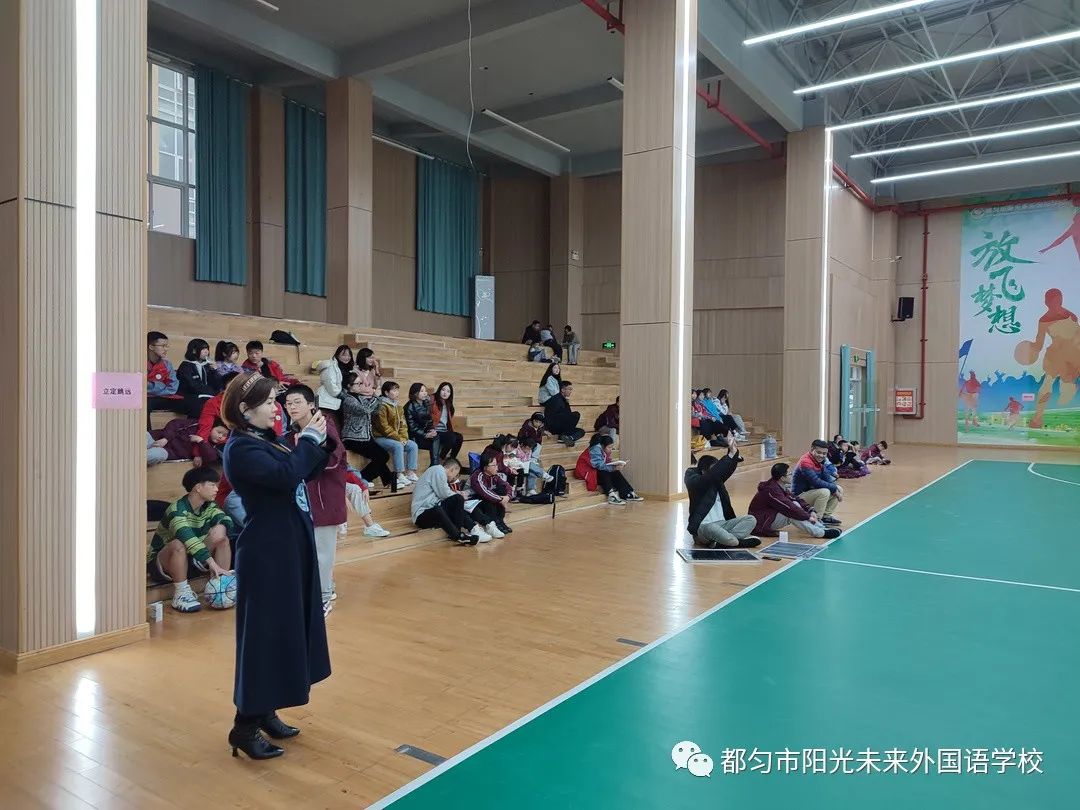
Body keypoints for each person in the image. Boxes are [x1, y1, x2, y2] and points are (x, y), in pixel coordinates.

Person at [220, 372, 334, 760]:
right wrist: (308, 442)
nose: (277, 408)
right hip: (267, 554)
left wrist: (315, 436)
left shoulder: (266, 440)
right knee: (264, 638)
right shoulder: (241, 449)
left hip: (288, 548)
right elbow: (287, 476)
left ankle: (265, 710)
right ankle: (244, 726)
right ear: (245, 409)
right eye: (269, 402)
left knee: (283, 633)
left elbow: (305, 471)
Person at [284, 385, 348, 618]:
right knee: (308, 551)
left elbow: (333, 461)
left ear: (311, 405)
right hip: (304, 501)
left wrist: (306, 450)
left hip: (324, 500)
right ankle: (322, 589)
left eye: (297, 402)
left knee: (323, 552)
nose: (292, 407)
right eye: (288, 403)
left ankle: (323, 597)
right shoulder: (291, 433)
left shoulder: (324, 426)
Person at [146, 466, 234, 613]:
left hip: (190, 557)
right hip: (161, 564)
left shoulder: (209, 506)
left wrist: (222, 526)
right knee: (178, 544)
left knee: (222, 539)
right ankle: (180, 594)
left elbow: (225, 518)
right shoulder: (176, 510)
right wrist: (210, 562)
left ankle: (220, 585)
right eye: (212, 485)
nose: (217, 489)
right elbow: (187, 537)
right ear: (198, 488)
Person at [684, 441, 759, 548]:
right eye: (714, 470)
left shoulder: (717, 481)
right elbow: (714, 474)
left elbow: (726, 471)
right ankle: (737, 542)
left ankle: (724, 542)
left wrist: (733, 453)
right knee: (712, 528)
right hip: (703, 527)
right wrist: (730, 455)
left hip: (723, 524)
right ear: (704, 471)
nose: (718, 473)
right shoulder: (695, 482)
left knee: (750, 519)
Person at [748, 463, 841, 540]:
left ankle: (821, 527)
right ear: (782, 478)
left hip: (771, 516)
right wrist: (808, 516)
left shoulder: (780, 485)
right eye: (789, 474)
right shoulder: (771, 490)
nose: (792, 475)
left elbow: (795, 498)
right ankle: (820, 533)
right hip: (762, 523)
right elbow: (788, 507)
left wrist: (810, 510)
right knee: (791, 513)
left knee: (795, 504)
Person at [411, 457, 486, 544]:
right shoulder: (438, 470)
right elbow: (444, 494)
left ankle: (459, 530)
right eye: (456, 474)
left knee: (457, 499)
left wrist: (458, 494)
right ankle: (458, 536)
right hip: (421, 515)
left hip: (432, 509)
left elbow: (445, 494)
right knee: (443, 507)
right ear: (452, 469)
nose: (454, 478)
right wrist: (459, 493)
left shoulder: (437, 472)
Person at [339, 371, 394, 489]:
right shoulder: (348, 400)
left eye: (361, 383)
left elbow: (373, 411)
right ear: (349, 386)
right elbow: (365, 410)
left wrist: (378, 400)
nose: (361, 386)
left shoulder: (359, 397)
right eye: (358, 384)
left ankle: (387, 480)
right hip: (352, 437)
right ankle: (363, 478)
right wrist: (376, 397)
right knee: (382, 456)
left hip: (365, 436)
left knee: (381, 456)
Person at [197, 372, 283, 442]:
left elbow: (276, 433)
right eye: (230, 391)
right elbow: (204, 428)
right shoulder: (213, 403)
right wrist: (201, 449)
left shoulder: (267, 404)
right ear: (224, 390)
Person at [373, 381, 419, 488]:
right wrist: (398, 439)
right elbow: (384, 428)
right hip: (380, 437)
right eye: (394, 390)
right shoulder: (381, 405)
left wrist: (404, 438)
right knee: (398, 446)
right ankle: (399, 474)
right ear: (386, 392)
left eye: (397, 390)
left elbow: (403, 425)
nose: (397, 392)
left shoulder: (398, 406)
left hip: (395, 437)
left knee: (413, 445)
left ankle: (410, 473)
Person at [792, 440, 843, 526]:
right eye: (819, 452)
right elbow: (816, 482)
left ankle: (825, 516)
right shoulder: (805, 462)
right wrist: (833, 489)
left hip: (811, 492)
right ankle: (816, 520)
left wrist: (835, 489)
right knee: (825, 492)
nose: (821, 455)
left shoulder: (820, 460)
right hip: (799, 497)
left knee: (839, 489)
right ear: (812, 449)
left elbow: (827, 478)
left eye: (824, 453)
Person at [586, 433, 642, 505]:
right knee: (604, 471)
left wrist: (616, 464)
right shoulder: (595, 449)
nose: (611, 449)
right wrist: (613, 467)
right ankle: (611, 495)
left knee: (615, 472)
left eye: (611, 447)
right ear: (602, 445)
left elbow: (606, 462)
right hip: (586, 472)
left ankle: (626, 493)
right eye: (609, 447)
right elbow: (598, 465)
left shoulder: (603, 449)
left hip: (594, 470)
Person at [468, 453, 514, 537]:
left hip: (489, 500)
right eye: (494, 465)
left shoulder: (494, 476)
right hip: (473, 503)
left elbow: (507, 485)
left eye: (497, 464)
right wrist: (501, 499)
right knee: (488, 498)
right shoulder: (477, 476)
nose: (497, 467)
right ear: (486, 467)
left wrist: (508, 496)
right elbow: (484, 492)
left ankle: (500, 521)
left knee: (501, 489)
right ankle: (494, 523)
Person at [150, 416, 224, 467]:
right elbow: (175, 423)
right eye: (219, 432)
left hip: (167, 452)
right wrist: (166, 438)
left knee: (152, 455)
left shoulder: (214, 447)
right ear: (212, 427)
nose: (220, 436)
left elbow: (211, 457)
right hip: (156, 437)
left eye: (224, 435)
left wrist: (200, 441)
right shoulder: (197, 424)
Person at [177, 338, 224, 418]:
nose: (206, 352)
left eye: (207, 349)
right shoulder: (186, 366)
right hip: (190, 396)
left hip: (207, 395)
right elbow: (192, 385)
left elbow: (218, 385)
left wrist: (215, 371)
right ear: (194, 351)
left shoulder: (208, 365)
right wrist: (210, 392)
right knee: (202, 405)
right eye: (203, 349)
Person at [146, 331, 185, 416]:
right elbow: (140, 387)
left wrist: (152, 386)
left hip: (164, 397)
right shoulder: (140, 363)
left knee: (191, 403)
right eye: (163, 346)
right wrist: (162, 386)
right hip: (146, 398)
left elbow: (173, 388)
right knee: (145, 405)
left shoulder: (167, 364)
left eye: (167, 346)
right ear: (151, 347)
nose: (166, 349)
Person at [314, 344, 355, 417]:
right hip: (327, 402)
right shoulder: (330, 366)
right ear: (337, 355)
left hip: (338, 402)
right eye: (344, 355)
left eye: (349, 355)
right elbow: (332, 387)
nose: (347, 357)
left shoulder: (348, 369)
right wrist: (345, 397)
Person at [405, 383, 440, 465]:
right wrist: (425, 435)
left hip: (424, 433)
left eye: (425, 391)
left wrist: (432, 430)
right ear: (415, 393)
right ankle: (435, 464)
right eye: (422, 391)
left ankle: (434, 464)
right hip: (414, 436)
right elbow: (411, 427)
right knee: (434, 441)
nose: (425, 393)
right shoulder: (409, 407)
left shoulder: (426, 403)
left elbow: (429, 420)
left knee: (436, 437)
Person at [544, 379, 586, 446]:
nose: (570, 391)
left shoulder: (564, 400)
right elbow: (551, 416)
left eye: (571, 389)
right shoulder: (556, 399)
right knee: (576, 414)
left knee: (581, 431)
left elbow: (568, 413)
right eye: (569, 389)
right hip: (553, 427)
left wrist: (567, 403)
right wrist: (546, 429)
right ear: (563, 390)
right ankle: (563, 436)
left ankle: (569, 438)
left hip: (562, 427)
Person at [430, 381, 464, 461]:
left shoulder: (448, 405)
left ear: (450, 394)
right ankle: (441, 458)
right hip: (435, 431)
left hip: (444, 431)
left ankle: (451, 459)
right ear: (439, 390)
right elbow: (425, 415)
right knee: (451, 438)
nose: (445, 393)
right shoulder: (432, 399)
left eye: (448, 391)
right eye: (443, 390)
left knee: (459, 437)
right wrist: (429, 429)